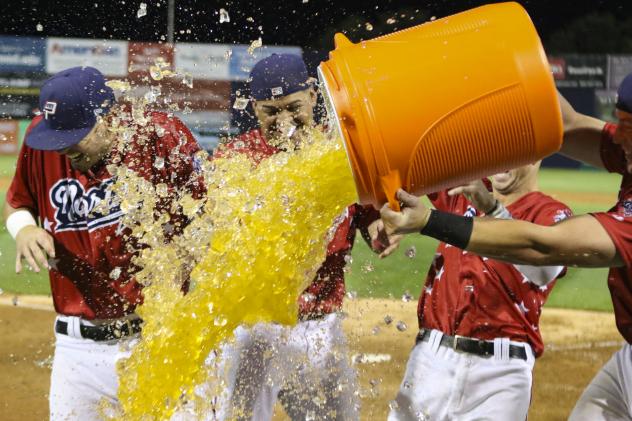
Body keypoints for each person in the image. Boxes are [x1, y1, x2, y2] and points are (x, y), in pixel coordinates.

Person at [379, 74, 632, 420]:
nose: (617, 136)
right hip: (434, 358)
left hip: (499, 368)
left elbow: (543, 252)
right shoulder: (468, 188)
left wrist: (431, 221)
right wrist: (498, 60)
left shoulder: (549, 211)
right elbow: (565, 123)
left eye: (628, 127)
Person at [3, 66, 205, 420]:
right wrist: (24, 229)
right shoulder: (44, 139)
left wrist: (183, 259)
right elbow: (18, 201)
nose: (63, 149)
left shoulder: (159, 136)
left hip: (158, 339)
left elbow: (207, 214)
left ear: (108, 117)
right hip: (76, 352)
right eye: (57, 138)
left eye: (74, 137)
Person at [210, 54, 382, 421]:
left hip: (320, 328)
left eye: (293, 107)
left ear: (314, 97)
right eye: (271, 111)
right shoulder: (233, 159)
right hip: (253, 328)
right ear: (254, 108)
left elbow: (375, 228)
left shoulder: (343, 155)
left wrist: (385, 232)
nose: (283, 121)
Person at [383, 164, 571, 420]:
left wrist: (493, 209)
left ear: (537, 156)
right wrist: (380, 215)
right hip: (430, 362)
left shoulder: (551, 214)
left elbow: (544, 269)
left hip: (500, 377)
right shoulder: (467, 189)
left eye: (516, 151)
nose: (504, 159)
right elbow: (411, 163)